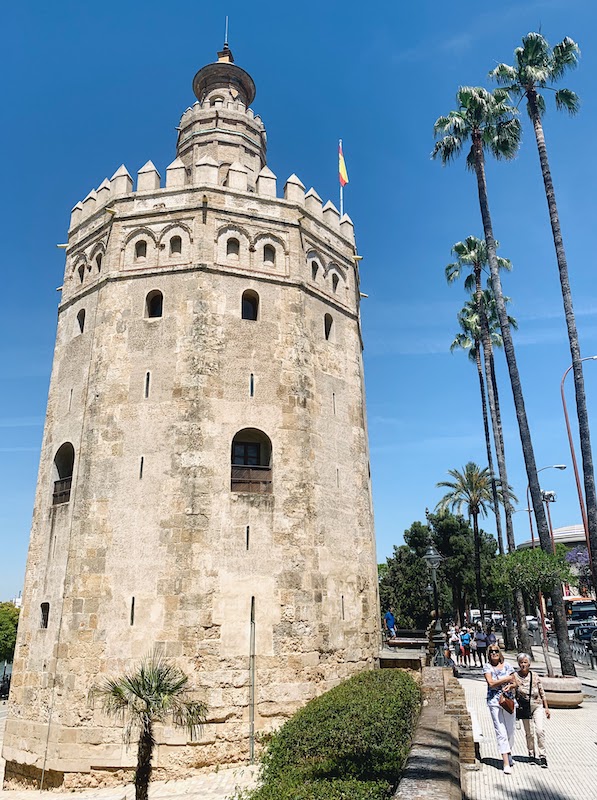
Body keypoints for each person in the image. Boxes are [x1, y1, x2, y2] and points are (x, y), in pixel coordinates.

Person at [483, 645, 517, 774]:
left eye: (496, 651)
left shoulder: (508, 665)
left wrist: (510, 684)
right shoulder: (487, 667)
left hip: (508, 700)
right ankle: (506, 763)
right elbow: (490, 683)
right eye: (491, 652)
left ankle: (508, 753)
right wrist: (506, 679)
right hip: (494, 701)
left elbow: (515, 682)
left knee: (510, 731)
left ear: (500, 653)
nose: (494, 653)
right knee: (501, 732)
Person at [515, 652, 551, 768]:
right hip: (525, 707)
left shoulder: (534, 676)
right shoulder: (515, 676)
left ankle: (543, 755)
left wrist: (546, 708)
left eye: (525, 662)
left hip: (537, 705)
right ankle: (531, 753)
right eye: (521, 662)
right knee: (529, 732)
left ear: (529, 664)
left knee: (539, 730)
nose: (523, 665)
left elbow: (542, 691)